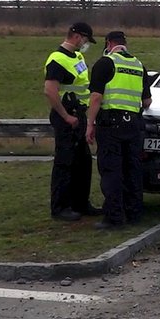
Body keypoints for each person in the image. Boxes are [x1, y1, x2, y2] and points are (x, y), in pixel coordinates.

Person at [85, 30, 152, 229]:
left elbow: (96, 97)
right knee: (132, 169)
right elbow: (147, 101)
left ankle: (114, 217)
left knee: (111, 170)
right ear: (125, 43)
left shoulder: (106, 63)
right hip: (134, 124)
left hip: (111, 124)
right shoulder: (139, 65)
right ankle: (134, 213)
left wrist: (90, 124)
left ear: (108, 43)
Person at [43, 21, 100, 221]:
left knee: (82, 162)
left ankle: (81, 203)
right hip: (67, 115)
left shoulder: (78, 56)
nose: (86, 44)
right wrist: (66, 116)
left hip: (80, 114)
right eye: (85, 40)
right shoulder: (57, 59)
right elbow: (50, 91)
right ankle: (60, 207)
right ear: (77, 36)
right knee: (64, 162)